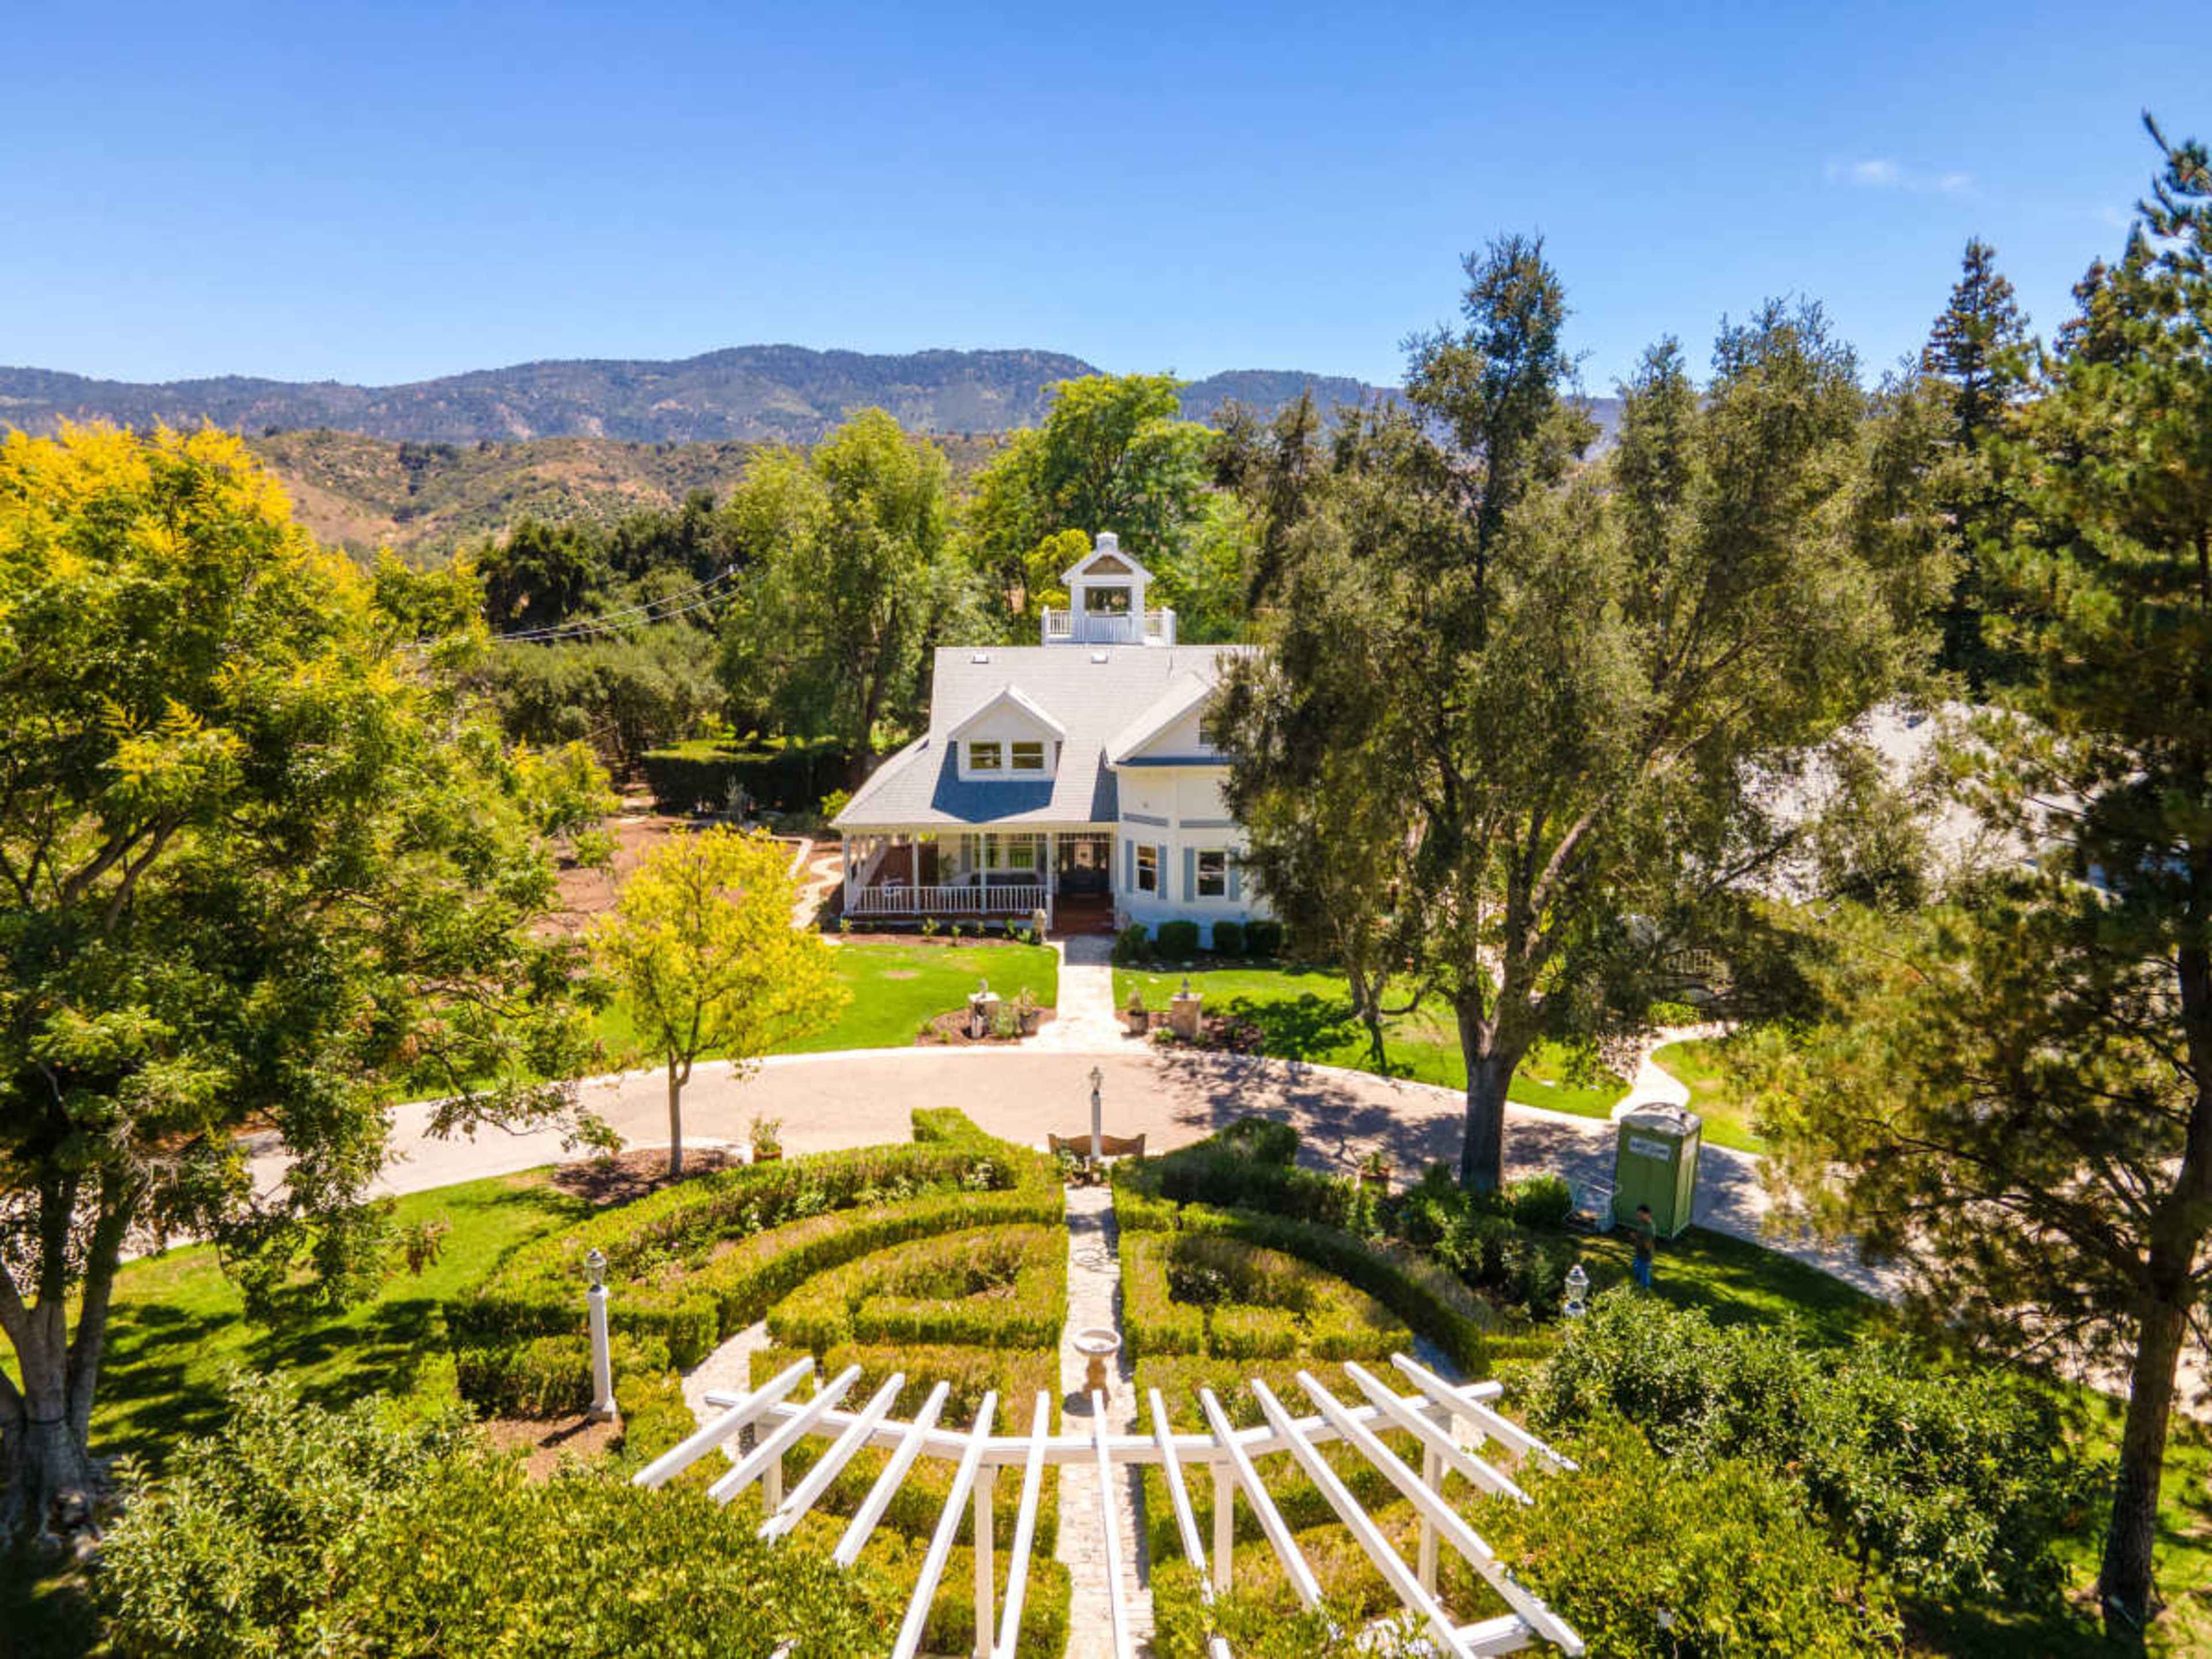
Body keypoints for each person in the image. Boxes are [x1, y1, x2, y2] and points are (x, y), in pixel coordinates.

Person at [1630, 1203, 1656, 1290]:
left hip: (1645, 1257)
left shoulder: (1649, 1229)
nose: (1639, 1217)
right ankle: (1638, 1286)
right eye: (1638, 1215)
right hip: (1639, 1254)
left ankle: (1645, 1291)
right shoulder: (1644, 1224)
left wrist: (1636, 1237)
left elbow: (1648, 1246)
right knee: (1637, 1272)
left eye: (1641, 1215)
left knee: (1644, 1276)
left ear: (1648, 1214)